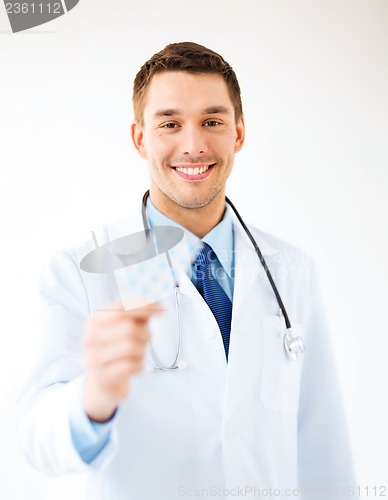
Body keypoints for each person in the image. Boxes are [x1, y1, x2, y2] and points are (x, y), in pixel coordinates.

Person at [17, 42, 357, 499]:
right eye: (170, 123)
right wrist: (93, 397)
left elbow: (322, 445)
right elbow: (36, 436)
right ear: (140, 138)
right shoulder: (84, 271)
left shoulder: (288, 270)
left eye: (212, 121)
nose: (193, 145)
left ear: (238, 133)